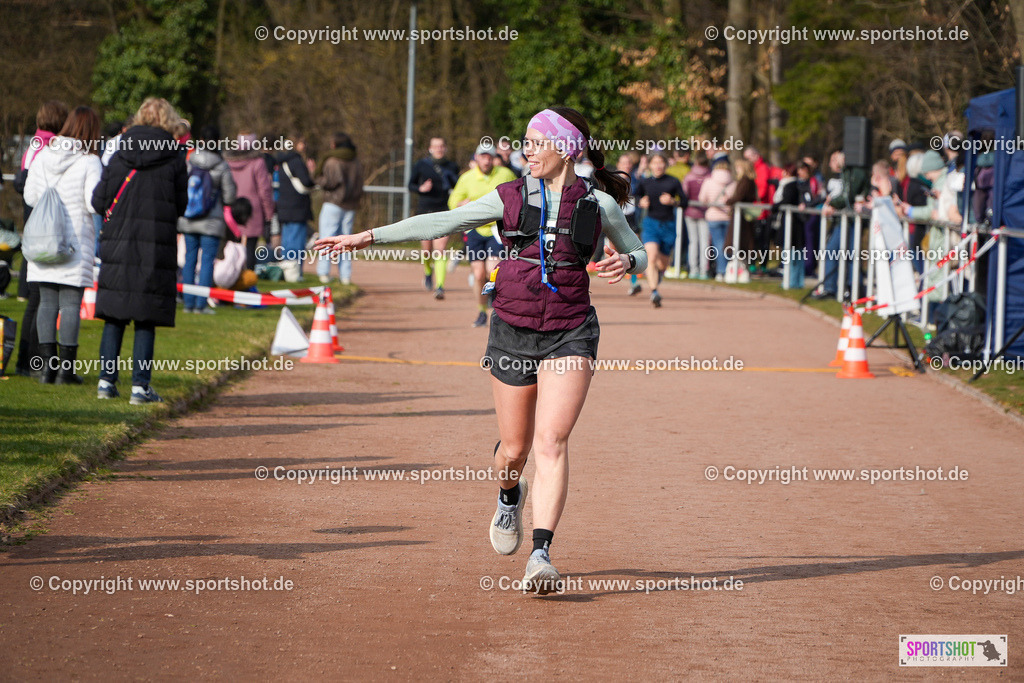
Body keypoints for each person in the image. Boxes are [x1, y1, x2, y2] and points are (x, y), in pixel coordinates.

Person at [315, 106, 648, 594]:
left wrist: (629, 263)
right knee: (514, 451)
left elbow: (635, 248)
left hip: (571, 330)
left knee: (551, 442)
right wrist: (365, 237)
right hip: (512, 327)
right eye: (525, 142)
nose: (525, 149)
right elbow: (444, 221)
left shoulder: (599, 204)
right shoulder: (509, 196)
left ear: (564, 148)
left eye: (536, 141)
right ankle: (509, 494)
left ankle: (540, 555)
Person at [91, 97, 188, 404]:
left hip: (118, 240)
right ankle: (139, 387)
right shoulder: (174, 157)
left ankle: (106, 382)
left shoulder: (119, 153)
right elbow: (181, 204)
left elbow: (98, 200)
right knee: (146, 317)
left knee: (114, 315)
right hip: (155, 243)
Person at [23, 106, 104, 384]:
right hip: (74, 240)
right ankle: (65, 372)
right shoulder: (90, 161)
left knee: (46, 302)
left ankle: (47, 369)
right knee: (70, 305)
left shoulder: (43, 155)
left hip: (44, 238)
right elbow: (93, 202)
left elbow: (31, 196)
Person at [13, 99, 68, 378]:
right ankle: (32, 361)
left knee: (36, 296)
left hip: (32, 220)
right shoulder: (49, 147)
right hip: (44, 222)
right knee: (40, 297)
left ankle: (27, 360)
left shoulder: (34, 143)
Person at [448, 143, 516, 324]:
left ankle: (498, 306)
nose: (486, 160)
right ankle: (481, 311)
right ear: (476, 158)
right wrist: (460, 204)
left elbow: (518, 196)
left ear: (493, 158)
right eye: (482, 156)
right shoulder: (467, 178)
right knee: (478, 274)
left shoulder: (505, 175)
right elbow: (453, 200)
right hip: (474, 230)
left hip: (496, 230)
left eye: (489, 157)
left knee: (493, 270)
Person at [178, 125, 237, 314]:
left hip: (188, 218)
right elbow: (229, 197)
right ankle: (201, 305)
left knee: (189, 260)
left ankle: (188, 303)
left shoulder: (190, 161)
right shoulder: (221, 165)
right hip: (211, 222)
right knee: (207, 262)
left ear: (201, 140)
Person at [408, 137, 460, 297]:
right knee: (426, 250)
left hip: (443, 210)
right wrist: (421, 188)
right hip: (424, 210)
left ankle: (440, 286)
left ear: (445, 148)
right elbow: (410, 185)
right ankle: (428, 271)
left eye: (441, 146)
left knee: (440, 249)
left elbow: (458, 187)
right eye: (436, 146)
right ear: (430, 148)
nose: (439, 149)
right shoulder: (421, 165)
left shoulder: (452, 166)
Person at [636, 152, 685, 307]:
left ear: (665, 164)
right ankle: (654, 292)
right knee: (651, 256)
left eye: (660, 162)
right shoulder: (645, 182)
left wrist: (673, 201)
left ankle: (657, 277)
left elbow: (685, 201)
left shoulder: (673, 181)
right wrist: (640, 202)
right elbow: (635, 196)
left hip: (668, 225)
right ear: (650, 165)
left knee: (662, 264)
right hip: (651, 223)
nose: (657, 166)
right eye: (654, 163)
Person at [316, 132, 364, 285]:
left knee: (326, 238)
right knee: (348, 241)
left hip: (333, 203)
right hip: (350, 205)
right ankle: (345, 276)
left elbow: (330, 182)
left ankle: (324, 273)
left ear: (335, 144)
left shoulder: (332, 160)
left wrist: (317, 177)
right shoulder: (356, 161)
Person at [226, 133, 275, 272]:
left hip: (232, 209)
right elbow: (264, 190)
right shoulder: (258, 162)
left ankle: (231, 279)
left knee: (232, 248)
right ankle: (248, 283)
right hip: (253, 210)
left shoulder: (228, 162)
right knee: (250, 249)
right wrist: (269, 212)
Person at [273, 135, 315, 277]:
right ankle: (295, 274)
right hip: (297, 208)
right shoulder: (296, 161)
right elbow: (307, 182)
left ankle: (286, 272)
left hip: (284, 207)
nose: (305, 145)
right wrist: (311, 171)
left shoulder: (282, 161)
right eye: (303, 142)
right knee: (297, 242)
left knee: (287, 242)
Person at [698, 154, 733, 281]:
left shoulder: (709, 181)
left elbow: (702, 199)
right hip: (729, 217)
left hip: (713, 217)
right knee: (728, 245)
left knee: (717, 245)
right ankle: (729, 270)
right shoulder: (733, 182)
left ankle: (720, 271)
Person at [725, 158, 759, 283]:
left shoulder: (746, 181)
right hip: (742, 218)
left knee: (740, 244)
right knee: (740, 246)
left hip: (742, 218)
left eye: (739, 167)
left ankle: (741, 272)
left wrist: (728, 201)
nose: (736, 169)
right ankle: (740, 271)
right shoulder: (748, 181)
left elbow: (739, 196)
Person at [615, 153, 643, 295]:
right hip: (615, 220)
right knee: (617, 251)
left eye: (628, 163)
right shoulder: (612, 180)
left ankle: (633, 283)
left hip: (631, 219)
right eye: (624, 163)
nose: (626, 165)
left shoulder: (636, 181)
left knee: (634, 250)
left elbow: (641, 195)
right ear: (618, 165)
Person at [682, 150, 711, 280]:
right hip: (705, 212)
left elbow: (684, 193)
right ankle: (704, 271)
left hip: (690, 212)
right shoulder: (710, 176)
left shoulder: (689, 176)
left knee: (693, 242)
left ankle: (693, 269)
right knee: (705, 242)